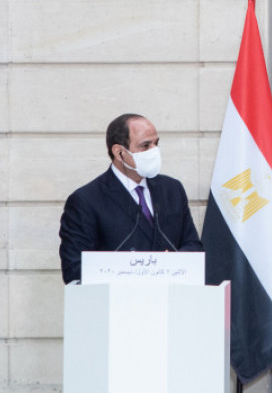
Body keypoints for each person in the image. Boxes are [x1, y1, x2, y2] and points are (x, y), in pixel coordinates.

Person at [59, 113, 202, 283]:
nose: (154, 151)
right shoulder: (86, 200)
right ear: (119, 153)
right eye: (145, 146)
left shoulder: (172, 189)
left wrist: (169, 265)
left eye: (156, 143)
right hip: (117, 304)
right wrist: (131, 271)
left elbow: (193, 246)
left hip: (172, 299)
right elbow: (75, 269)